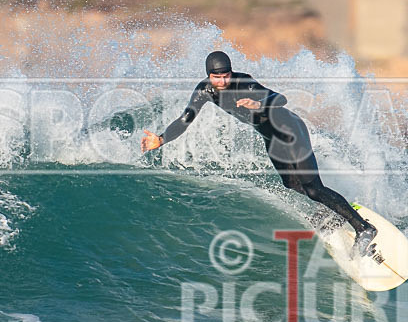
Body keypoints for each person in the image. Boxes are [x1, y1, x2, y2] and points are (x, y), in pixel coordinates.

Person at [141, 51, 378, 254]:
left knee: (314, 188)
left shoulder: (244, 83)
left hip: (290, 130)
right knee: (292, 184)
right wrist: (161, 140)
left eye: (225, 75)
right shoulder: (204, 91)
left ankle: (363, 228)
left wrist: (259, 104)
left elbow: (280, 98)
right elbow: (186, 118)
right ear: (208, 75)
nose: (222, 81)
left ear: (231, 73)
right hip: (271, 138)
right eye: (216, 77)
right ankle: (332, 212)